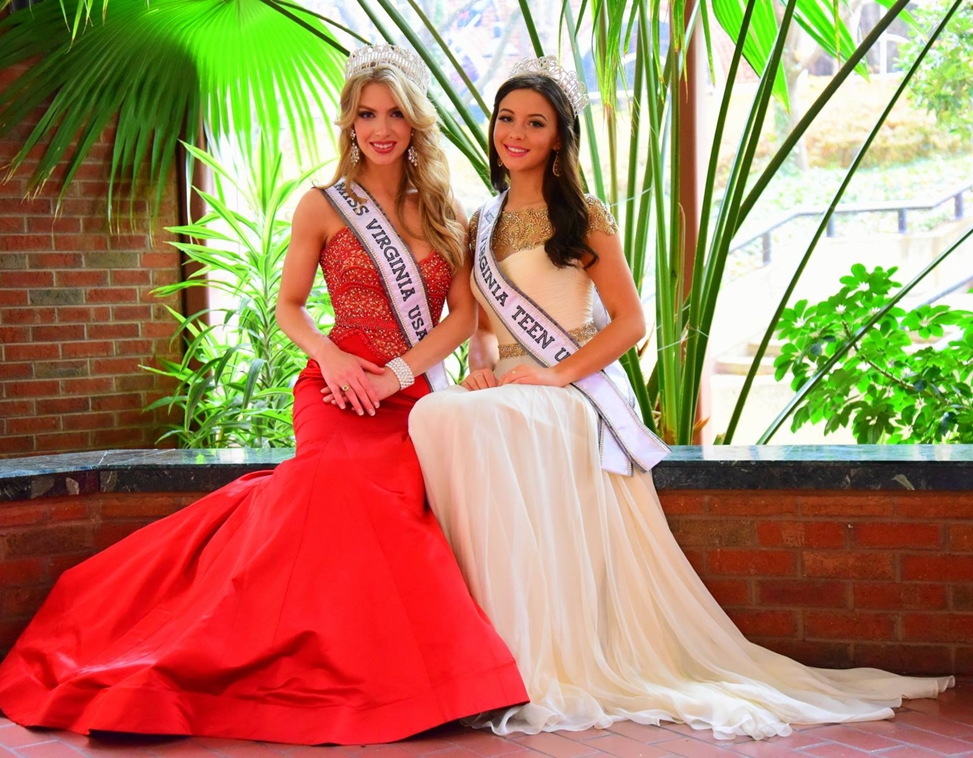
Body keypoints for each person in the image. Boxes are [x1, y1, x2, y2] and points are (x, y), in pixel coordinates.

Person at [0, 45, 526, 746]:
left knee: (370, 505)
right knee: (338, 484)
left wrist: (398, 374)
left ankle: (425, 682)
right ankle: (186, 668)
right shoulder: (323, 206)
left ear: (414, 122)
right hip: (338, 390)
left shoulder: (444, 209)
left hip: (409, 392)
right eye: (367, 114)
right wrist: (333, 359)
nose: (381, 128)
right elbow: (290, 307)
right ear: (350, 122)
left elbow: (459, 317)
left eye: (395, 113)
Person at [407, 57, 954, 741]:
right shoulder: (480, 223)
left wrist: (554, 375)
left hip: (569, 389)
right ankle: (485, 651)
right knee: (441, 411)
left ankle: (535, 656)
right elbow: (481, 328)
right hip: (510, 393)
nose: (515, 133)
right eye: (506, 118)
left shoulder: (584, 216)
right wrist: (482, 368)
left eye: (535, 123)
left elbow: (631, 323)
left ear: (559, 137)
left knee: (460, 417)